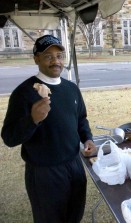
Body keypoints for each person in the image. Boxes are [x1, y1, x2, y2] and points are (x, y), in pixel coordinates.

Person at [1, 34, 96, 223]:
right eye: (48, 56)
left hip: (75, 165)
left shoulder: (71, 88)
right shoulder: (24, 92)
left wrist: (88, 139)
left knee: (74, 216)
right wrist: (32, 119)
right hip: (44, 172)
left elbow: (81, 119)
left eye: (59, 56)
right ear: (36, 58)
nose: (56, 61)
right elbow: (9, 138)